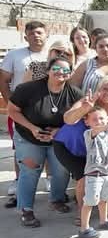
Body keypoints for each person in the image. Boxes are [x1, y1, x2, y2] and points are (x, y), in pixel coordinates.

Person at [8, 56, 83, 227]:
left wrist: (59, 131)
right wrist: (33, 128)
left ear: (70, 74)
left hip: (58, 138)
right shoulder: (28, 89)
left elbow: (79, 118)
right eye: (56, 69)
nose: (60, 73)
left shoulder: (75, 93)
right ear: (48, 71)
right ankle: (26, 209)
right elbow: (13, 111)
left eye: (65, 70)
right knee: (30, 169)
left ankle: (56, 199)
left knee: (62, 170)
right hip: (28, 136)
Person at [55, 75, 108, 225]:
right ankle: (82, 213)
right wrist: (84, 109)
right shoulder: (87, 101)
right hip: (68, 146)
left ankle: (104, 213)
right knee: (84, 178)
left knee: (104, 178)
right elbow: (68, 119)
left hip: (93, 153)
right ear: (99, 90)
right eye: (105, 88)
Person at [1, 20, 49, 206]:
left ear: (46, 34)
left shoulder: (52, 55)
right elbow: (4, 80)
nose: (36, 36)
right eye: (32, 33)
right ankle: (18, 180)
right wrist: (11, 103)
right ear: (25, 36)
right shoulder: (15, 55)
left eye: (39, 32)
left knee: (47, 144)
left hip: (45, 109)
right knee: (19, 146)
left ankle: (50, 181)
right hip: (20, 109)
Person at [78, 106, 108, 238]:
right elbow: (97, 129)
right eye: (94, 119)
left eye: (101, 118)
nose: (98, 121)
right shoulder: (89, 134)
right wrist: (107, 125)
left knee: (105, 198)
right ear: (87, 122)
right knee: (90, 200)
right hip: (94, 173)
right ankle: (84, 228)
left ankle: (103, 220)